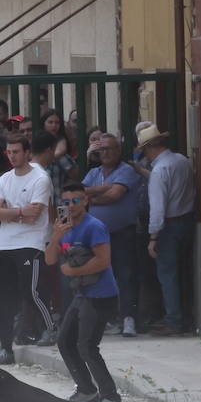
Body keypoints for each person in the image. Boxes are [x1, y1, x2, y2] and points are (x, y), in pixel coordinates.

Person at [45, 182, 122, 402]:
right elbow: (49, 260)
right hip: (82, 294)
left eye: (75, 201)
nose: (70, 205)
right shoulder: (64, 227)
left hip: (101, 295)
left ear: (85, 201)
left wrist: (73, 272)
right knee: (64, 341)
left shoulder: (94, 227)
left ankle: (111, 398)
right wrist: (56, 236)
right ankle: (87, 389)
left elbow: (103, 261)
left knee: (87, 346)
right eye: (66, 202)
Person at [0, 132, 54, 365]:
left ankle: (49, 328)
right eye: (9, 152)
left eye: (17, 151)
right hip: (5, 244)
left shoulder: (40, 178)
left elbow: (35, 214)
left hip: (31, 241)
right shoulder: (4, 179)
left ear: (27, 153)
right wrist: (19, 212)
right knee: (4, 297)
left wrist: (10, 212)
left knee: (31, 289)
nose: (12, 156)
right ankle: (6, 348)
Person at [83, 132, 143, 337]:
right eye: (102, 149)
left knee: (125, 275)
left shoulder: (126, 170)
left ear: (118, 150)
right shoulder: (94, 173)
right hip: (97, 237)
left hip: (121, 233)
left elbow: (114, 195)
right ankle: (106, 319)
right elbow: (80, 193)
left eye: (110, 148)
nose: (105, 153)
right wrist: (102, 189)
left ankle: (128, 318)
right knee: (98, 277)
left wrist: (93, 196)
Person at [138, 124, 195, 335]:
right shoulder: (181, 161)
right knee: (183, 273)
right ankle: (184, 316)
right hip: (187, 221)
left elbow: (158, 209)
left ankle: (174, 321)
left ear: (150, 147)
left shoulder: (159, 171)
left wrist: (153, 237)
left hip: (168, 227)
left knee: (167, 275)